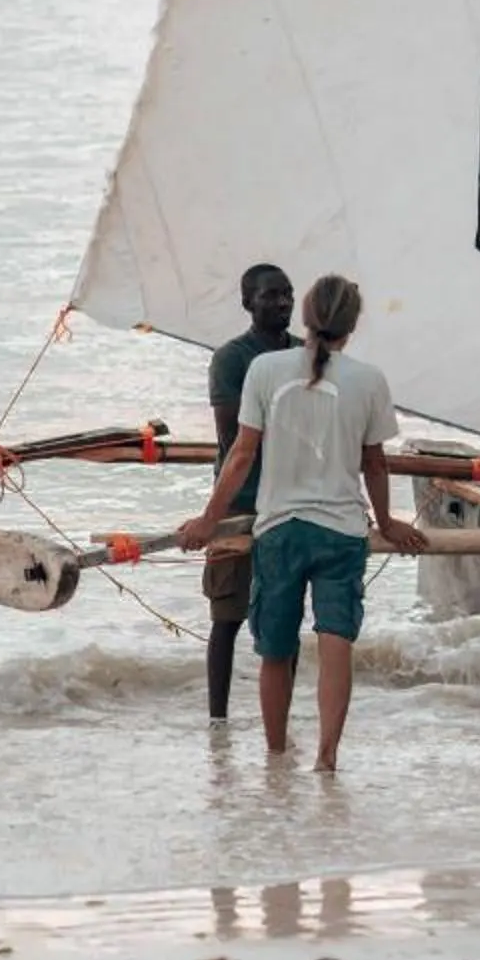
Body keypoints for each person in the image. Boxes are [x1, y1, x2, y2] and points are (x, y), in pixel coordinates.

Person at [179, 274, 424, 770]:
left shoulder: (265, 370)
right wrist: (388, 521)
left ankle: (275, 754)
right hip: (342, 531)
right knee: (336, 642)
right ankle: (326, 758)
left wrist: (208, 519)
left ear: (305, 317)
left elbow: (241, 453)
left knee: (275, 647)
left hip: (280, 529)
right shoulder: (368, 379)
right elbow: (374, 463)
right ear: (351, 325)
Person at [202, 263, 296, 722]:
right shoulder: (232, 359)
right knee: (227, 616)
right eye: (270, 296)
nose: (282, 303)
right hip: (239, 499)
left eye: (288, 295)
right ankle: (217, 721)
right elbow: (232, 439)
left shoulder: (306, 353)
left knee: (284, 618)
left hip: (290, 501)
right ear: (247, 303)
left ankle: (280, 719)